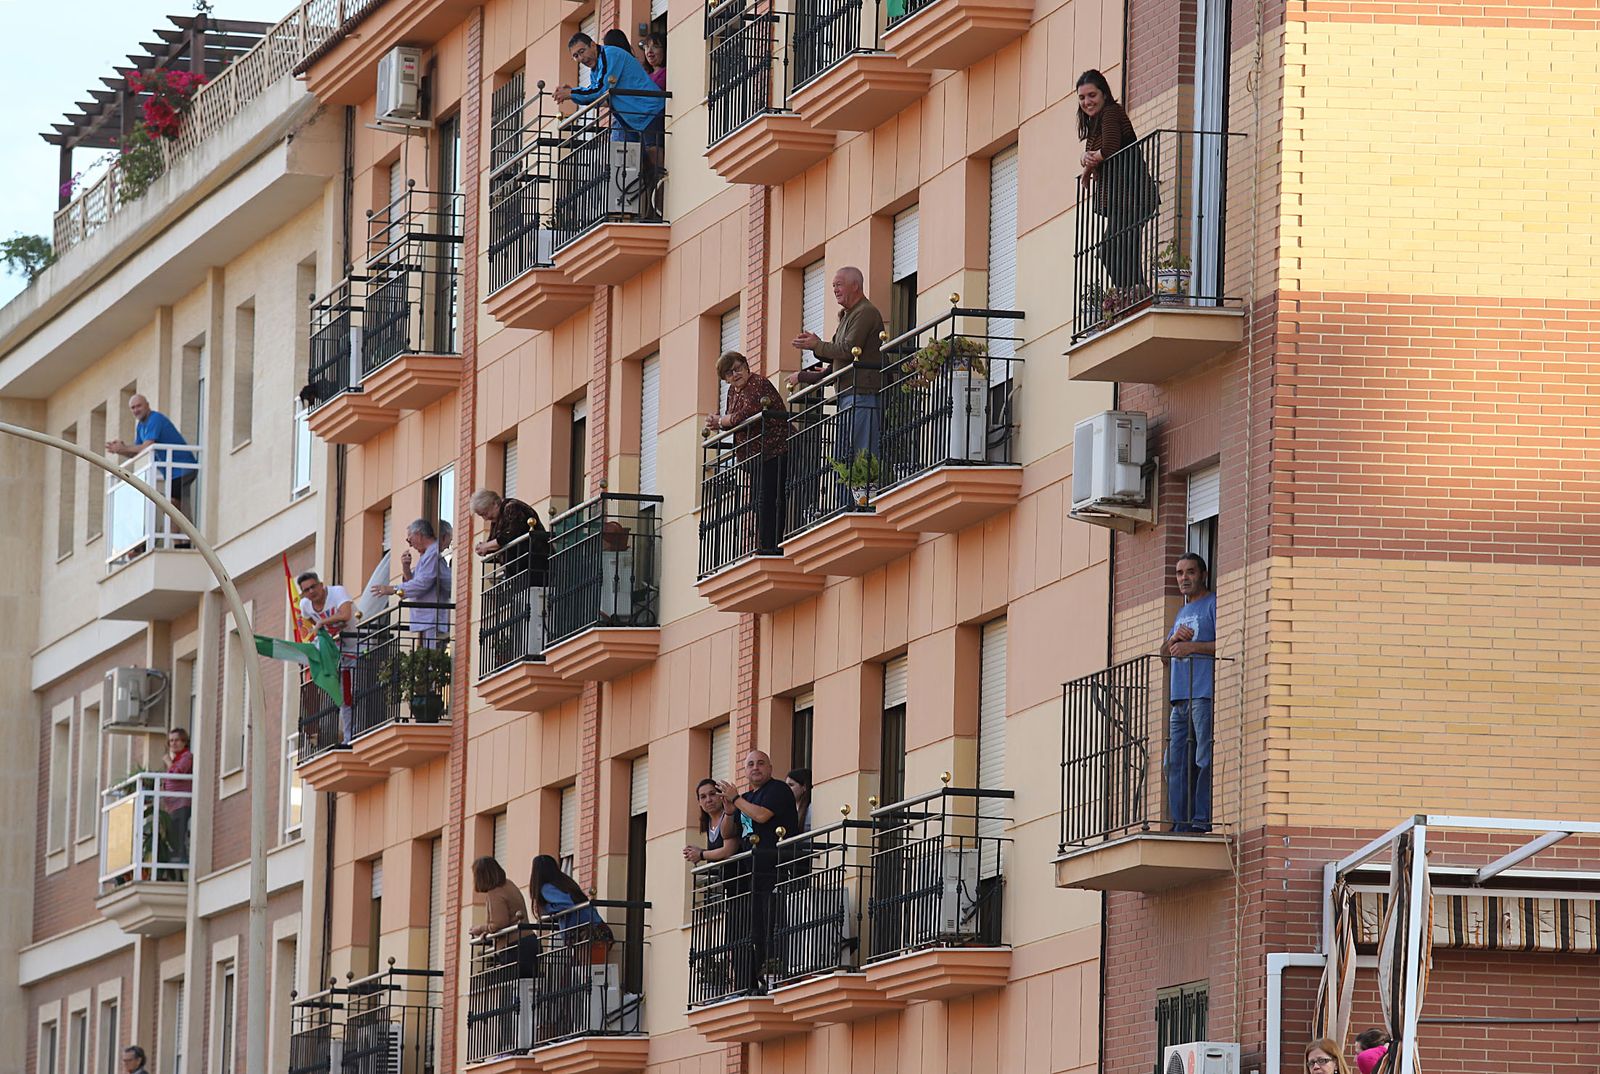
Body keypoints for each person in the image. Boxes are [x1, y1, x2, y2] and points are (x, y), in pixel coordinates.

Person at [789, 267, 886, 502]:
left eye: (839, 284)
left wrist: (816, 345)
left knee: (861, 451)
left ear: (856, 285)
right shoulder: (849, 315)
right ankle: (844, 504)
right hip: (849, 394)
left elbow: (848, 349)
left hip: (863, 393)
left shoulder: (865, 312)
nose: (835, 290)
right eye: (833, 286)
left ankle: (862, 501)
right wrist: (814, 367)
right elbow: (838, 354)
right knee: (844, 454)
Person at [1076, 69, 1152, 295]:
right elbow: (1096, 152)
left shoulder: (1110, 113)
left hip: (1132, 195)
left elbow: (1109, 149)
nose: (1087, 102)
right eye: (1082, 98)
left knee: (1113, 247)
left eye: (1092, 95)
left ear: (1104, 94)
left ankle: (1134, 293)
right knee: (1121, 247)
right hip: (1125, 198)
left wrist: (1088, 164)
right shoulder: (1097, 123)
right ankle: (1133, 293)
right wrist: (1087, 164)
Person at [706, 351, 791, 553]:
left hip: (774, 449)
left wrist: (723, 421)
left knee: (768, 499)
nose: (735, 375)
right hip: (755, 456)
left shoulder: (758, 384)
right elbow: (732, 419)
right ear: (725, 379)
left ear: (746, 366)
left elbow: (747, 414)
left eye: (738, 368)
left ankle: (771, 545)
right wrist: (718, 422)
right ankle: (766, 543)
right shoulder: (732, 392)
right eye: (729, 373)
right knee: (759, 500)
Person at [1160, 552, 1217, 833]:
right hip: (1179, 697)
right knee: (1173, 762)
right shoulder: (1181, 613)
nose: (1184, 578)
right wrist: (1173, 640)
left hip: (1203, 693)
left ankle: (1200, 819)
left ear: (1202, 574)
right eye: (1180, 573)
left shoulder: (1213, 604)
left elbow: (1227, 642)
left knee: (1203, 757)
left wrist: (1192, 647)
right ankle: (1180, 823)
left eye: (1190, 572)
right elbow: (1164, 655)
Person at [472, 489, 551, 664]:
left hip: (535, 565)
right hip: (520, 571)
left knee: (536, 606)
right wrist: (483, 547)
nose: (485, 519)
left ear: (494, 503)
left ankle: (537, 645)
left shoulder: (511, 508)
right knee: (526, 606)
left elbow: (508, 535)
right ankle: (528, 646)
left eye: (485, 513)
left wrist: (487, 546)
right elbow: (494, 540)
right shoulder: (498, 517)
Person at [105, 394, 199, 520]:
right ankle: (184, 538)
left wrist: (124, 448)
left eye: (139, 406)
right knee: (174, 506)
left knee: (172, 505)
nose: (136, 410)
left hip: (182, 467)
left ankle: (186, 539)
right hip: (172, 472)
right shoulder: (141, 426)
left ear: (147, 405)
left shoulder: (155, 419)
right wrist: (120, 450)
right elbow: (137, 452)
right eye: (133, 408)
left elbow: (147, 446)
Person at [298, 570, 359, 742]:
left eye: (313, 587)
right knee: (343, 694)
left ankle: (356, 731)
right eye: (306, 590)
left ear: (320, 584)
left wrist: (322, 623)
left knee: (355, 691)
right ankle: (348, 736)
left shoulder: (336, 592)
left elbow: (346, 614)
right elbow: (307, 624)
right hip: (338, 651)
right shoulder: (305, 605)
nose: (311, 592)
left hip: (359, 644)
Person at [370, 519, 452, 640]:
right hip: (426, 618)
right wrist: (406, 568)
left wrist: (393, 589)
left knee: (431, 652)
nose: (410, 544)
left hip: (431, 618)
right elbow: (414, 585)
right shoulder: (427, 555)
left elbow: (422, 585)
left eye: (409, 539)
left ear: (419, 535)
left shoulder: (432, 554)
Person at [469, 856, 538, 976]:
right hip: (529, 941)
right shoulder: (509, 884)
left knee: (514, 989)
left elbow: (499, 923)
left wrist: (480, 929)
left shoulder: (495, 894)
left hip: (513, 947)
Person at [719, 750, 801, 849]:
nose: (755, 768)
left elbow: (761, 816)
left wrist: (735, 799)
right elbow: (727, 834)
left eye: (760, 763)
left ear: (770, 769)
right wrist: (729, 813)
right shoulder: (744, 798)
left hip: (779, 859)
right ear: (745, 772)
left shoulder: (778, 788)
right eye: (751, 764)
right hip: (751, 861)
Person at [530, 854, 611, 945]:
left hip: (586, 932)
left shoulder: (547, 888)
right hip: (599, 928)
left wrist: (546, 909)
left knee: (584, 958)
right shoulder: (565, 882)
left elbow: (566, 904)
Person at [683, 778, 741, 865]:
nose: (708, 800)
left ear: (721, 796)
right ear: (699, 802)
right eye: (703, 797)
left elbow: (728, 851)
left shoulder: (731, 815)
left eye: (712, 794)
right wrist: (694, 853)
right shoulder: (708, 822)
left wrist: (701, 854)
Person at [159, 728, 193, 867]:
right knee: (173, 832)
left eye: (177, 740)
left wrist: (168, 762)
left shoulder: (187, 757)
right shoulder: (177, 759)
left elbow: (177, 772)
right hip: (172, 805)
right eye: (171, 741)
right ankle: (176, 860)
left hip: (182, 802)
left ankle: (181, 860)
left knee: (179, 832)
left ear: (184, 742)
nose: (173, 743)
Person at [785, 768, 813, 833]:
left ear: (804, 787)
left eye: (791, 785)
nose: (786, 789)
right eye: (786, 786)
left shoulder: (811, 809)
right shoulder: (788, 808)